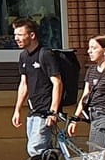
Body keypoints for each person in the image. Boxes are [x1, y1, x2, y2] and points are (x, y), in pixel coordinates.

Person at [10, 14, 64, 152]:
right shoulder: (23, 56)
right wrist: (17, 110)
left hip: (46, 111)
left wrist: (53, 112)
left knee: (36, 149)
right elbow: (24, 84)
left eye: (20, 34)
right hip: (33, 110)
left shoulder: (45, 54)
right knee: (42, 152)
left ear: (32, 35)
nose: (16, 38)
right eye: (15, 34)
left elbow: (57, 83)